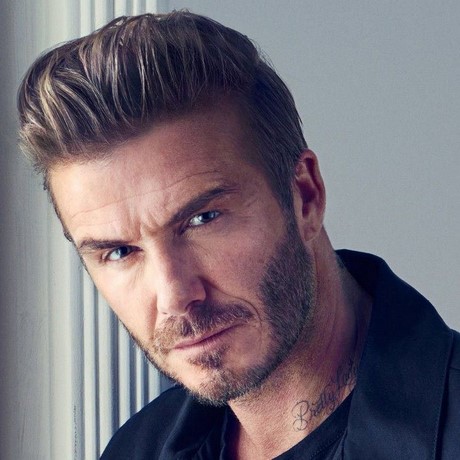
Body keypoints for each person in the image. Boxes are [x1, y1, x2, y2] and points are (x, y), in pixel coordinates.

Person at [17, 11, 459, 460]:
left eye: (202, 219)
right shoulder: (136, 449)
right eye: (119, 252)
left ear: (305, 197)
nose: (174, 297)